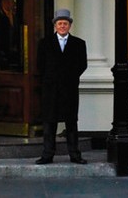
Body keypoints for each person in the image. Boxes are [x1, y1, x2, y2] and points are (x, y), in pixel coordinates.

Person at [36, 9, 88, 165]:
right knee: (49, 123)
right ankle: (47, 154)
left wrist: (70, 78)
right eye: (60, 23)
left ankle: (74, 154)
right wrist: (49, 80)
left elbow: (82, 64)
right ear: (55, 26)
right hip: (51, 89)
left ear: (70, 25)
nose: (63, 26)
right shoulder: (45, 43)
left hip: (69, 89)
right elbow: (40, 65)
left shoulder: (79, 44)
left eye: (65, 23)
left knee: (71, 122)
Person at [0, 0, 21, 70]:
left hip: (14, 55)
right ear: (1, 1)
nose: (9, 1)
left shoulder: (16, 17)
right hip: (2, 57)